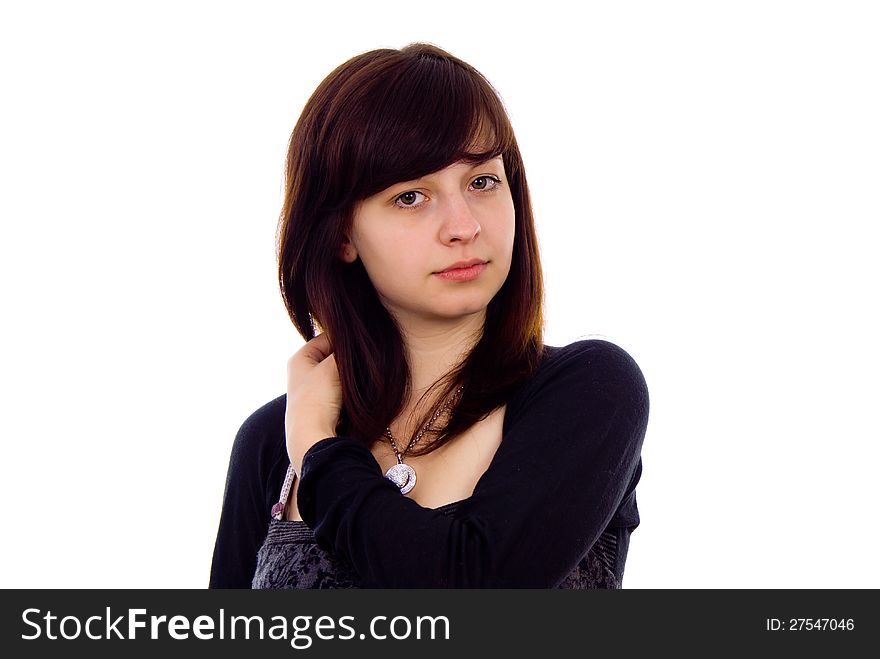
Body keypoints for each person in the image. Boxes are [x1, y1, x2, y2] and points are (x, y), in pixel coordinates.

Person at [209, 43, 649, 589]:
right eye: (412, 196)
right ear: (342, 233)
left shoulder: (589, 389)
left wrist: (320, 452)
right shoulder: (270, 444)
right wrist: (304, 434)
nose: (462, 226)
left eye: (482, 181)